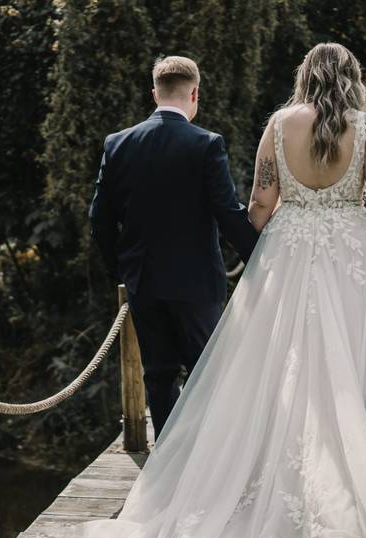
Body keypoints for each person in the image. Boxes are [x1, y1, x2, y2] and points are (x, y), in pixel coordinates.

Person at [68, 43, 366, 538]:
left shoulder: (278, 123)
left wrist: (282, 227)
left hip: (287, 258)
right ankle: (350, 490)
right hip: (348, 260)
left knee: (273, 367)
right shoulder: (364, 127)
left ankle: (248, 481)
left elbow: (261, 205)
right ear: (351, 79)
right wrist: (353, 224)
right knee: (342, 370)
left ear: (303, 76)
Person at [88, 55, 260, 440]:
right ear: (195, 93)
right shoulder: (206, 144)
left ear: (154, 94)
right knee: (207, 374)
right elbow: (228, 214)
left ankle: (168, 460)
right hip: (196, 284)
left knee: (159, 375)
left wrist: (121, 268)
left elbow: (99, 217)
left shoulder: (118, 144)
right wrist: (262, 257)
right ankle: (208, 460)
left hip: (143, 282)